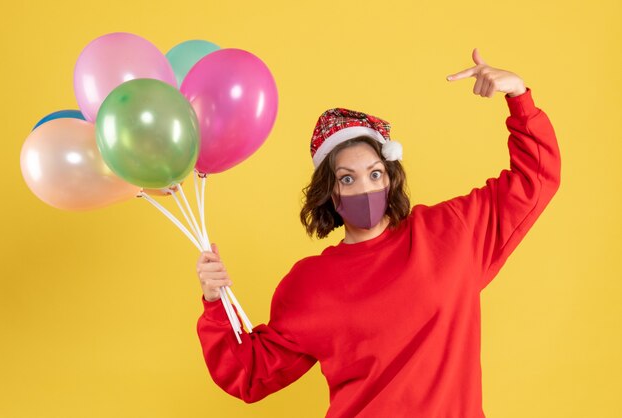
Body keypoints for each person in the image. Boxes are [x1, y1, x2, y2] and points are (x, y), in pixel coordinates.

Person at [194, 48, 561, 417]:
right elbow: (251, 373)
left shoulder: (450, 231)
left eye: (374, 174)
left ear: (390, 177)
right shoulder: (309, 283)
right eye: (347, 179)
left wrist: (518, 96)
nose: (364, 189)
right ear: (329, 192)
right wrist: (215, 301)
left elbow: (535, 180)